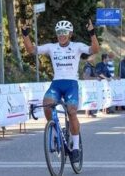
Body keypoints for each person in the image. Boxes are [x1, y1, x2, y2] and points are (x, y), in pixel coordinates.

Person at [21, 19, 100, 163]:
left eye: (64, 33)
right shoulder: (52, 47)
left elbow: (95, 50)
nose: (61, 35)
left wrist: (92, 33)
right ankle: (55, 131)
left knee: (72, 111)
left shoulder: (77, 46)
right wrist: (25, 34)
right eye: (59, 33)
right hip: (56, 84)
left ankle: (75, 147)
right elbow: (31, 50)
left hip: (71, 84)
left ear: (70, 34)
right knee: (46, 103)